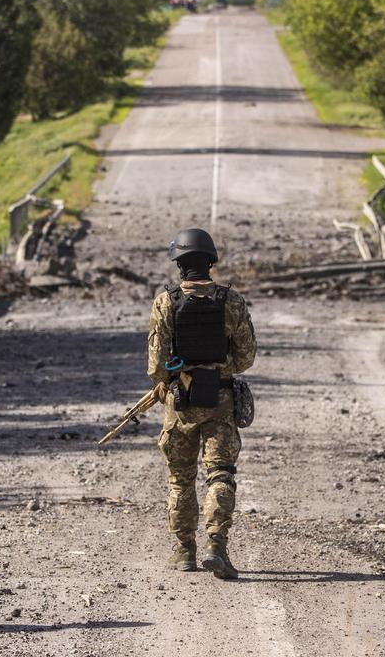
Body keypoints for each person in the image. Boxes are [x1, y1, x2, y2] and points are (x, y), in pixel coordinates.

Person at [147, 227, 256, 580]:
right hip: (221, 401)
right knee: (220, 475)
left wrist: (177, 375)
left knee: (180, 480)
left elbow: (157, 365)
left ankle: (184, 552)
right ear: (210, 261)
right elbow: (246, 357)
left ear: (179, 265)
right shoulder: (232, 301)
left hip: (180, 404)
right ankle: (216, 547)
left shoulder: (166, 302)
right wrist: (219, 368)